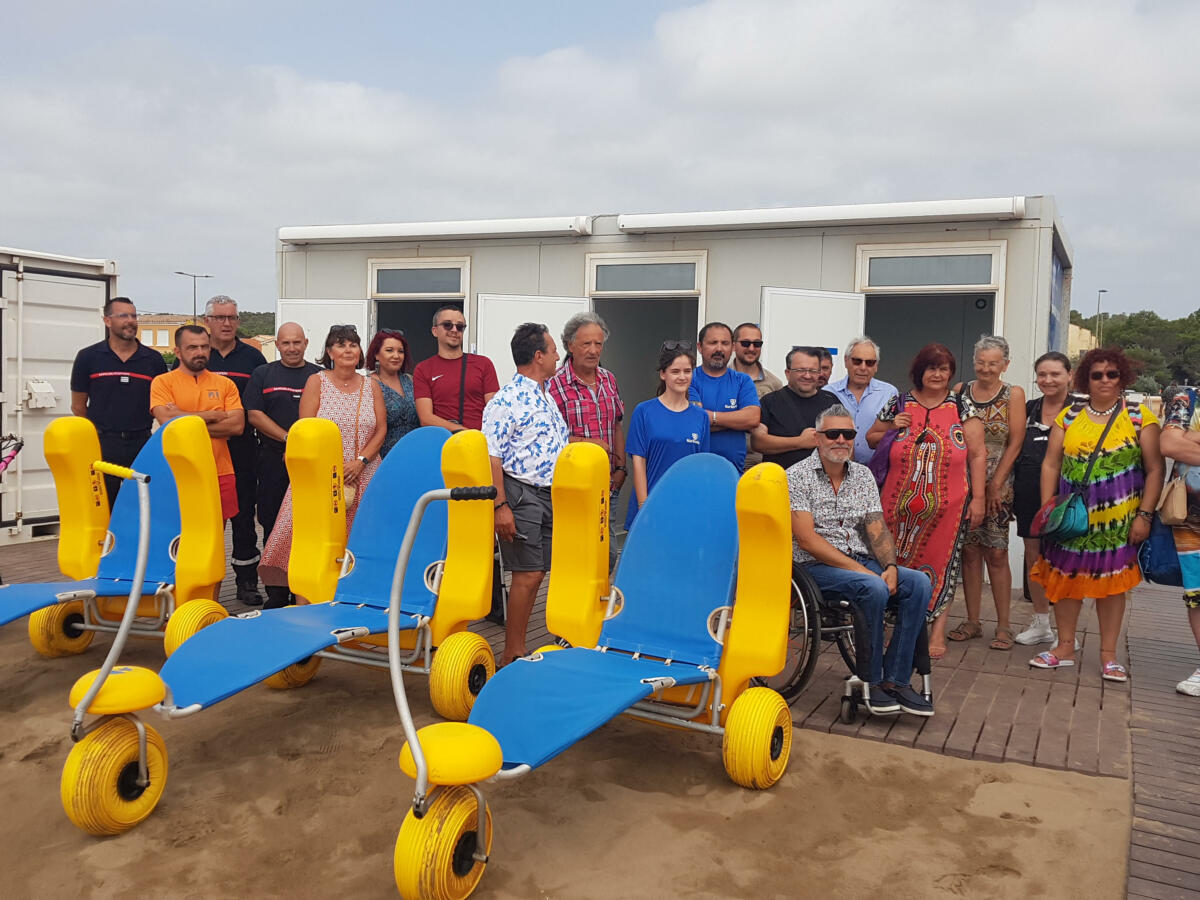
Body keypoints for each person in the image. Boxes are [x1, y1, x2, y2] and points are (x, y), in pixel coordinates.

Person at [1030, 348, 1163, 681]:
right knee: (1065, 581)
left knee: (1112, 587)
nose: (1105, 380)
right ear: (1085, 379)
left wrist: (1144, 515)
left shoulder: (1139, 417)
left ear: (1123, 378)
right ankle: (1063, 647)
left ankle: (1108, 654)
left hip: (1118, 522)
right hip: (1072, 519)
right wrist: (1048, 509)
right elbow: (1050, 463)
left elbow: (1155, 468)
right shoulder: (1069, 416)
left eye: (1112, 374)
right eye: (1097, 375)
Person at [790, 405, 933, 716]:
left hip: (861, 560)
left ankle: (895, 681)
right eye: (832, 434)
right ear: (817, 438)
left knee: (919, 582)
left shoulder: (863, 475)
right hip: (815, 569)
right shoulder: (795, 477)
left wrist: (892, 567)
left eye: (849, 434)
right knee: (874, 587)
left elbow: (876, 528)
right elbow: (806, 539)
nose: (841, 439)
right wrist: (863, 572)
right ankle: (872, 677)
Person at [866, 343, 987, 658]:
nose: (937, 374)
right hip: (895, 504)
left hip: (949, 506)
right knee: (894, 562)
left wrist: (980, 499)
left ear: (951, 373)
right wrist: (893, 426)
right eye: (931, 368)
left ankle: (936, 633)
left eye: (943, 368)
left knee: (942, 563)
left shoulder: (962, 406)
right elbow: (870, 438)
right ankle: (895, 629)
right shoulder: (899, 402)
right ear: (919, 371)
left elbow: (977, 453)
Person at [258, 325, 386, 602]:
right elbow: (306, 430)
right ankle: (306, 602)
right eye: (341, 345)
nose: (348, 350)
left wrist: (361, 462)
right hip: (321, 477)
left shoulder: (371, 385)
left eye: (353, 344)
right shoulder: (317, 381)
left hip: (363, 474)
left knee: (356, 542)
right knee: (311, 538)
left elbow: (381, 430)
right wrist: (334, 469)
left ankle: (349, 600)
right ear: (329, 352)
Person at [482, 323, 569, 666]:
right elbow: (492, 454)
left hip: (548, 494)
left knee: (537, 573)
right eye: (553, 349)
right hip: (520, 494)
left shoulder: (545, 395)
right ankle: (512, 651)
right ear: (538, 356)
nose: (558, 356)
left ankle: (517, 647)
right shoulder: (506, 399)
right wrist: (500, 505)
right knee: (527, 573)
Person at [952, 336, 1027, 651]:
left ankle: (1005, 625)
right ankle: (971, 620)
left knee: (996, 553)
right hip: (964, 484)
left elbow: (1016, 442)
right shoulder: (959, 392)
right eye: (981, 362)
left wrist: (997, 483)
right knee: (968, 553)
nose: (986, 368)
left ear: (1005, 365)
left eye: (993, 363)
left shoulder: (1014, 394)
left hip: (999, 484)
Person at [242, 322, 321, 608]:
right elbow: (254, 415)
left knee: (309, 524)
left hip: (312, 464)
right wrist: (290, 438)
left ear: (306, 343)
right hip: (274, 460)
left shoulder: (319, 376)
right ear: (277, 345)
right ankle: (277, 592)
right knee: (273, 523)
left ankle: (304, 586)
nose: (291, 348)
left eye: (297, 342)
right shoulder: (263, 374)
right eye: (286, 343)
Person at [546, 312, 627, 570]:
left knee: (607, 553)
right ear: (570, 346)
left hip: (607, 483)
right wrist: (585, 443)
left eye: (598, 344)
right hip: (573, 484)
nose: (593, 350)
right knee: (576, 552)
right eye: (586, 344)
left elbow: (617, 424)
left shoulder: (609, 379)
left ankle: (597, 607)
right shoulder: (553, 385)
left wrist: (621, 468)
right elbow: (549, 437)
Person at [201, 296, 268, 605]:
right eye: (219, 317)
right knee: (204, 521)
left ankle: (246, 584)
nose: (226, 323)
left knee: (242, 521)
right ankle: (202, 582)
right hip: (200, 454)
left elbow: (253, 410)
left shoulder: (253, 358)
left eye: (232, 318)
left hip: (242, 453)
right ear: (207, 321)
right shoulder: (197, 354)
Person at [70, 296, 167, 507]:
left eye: (134, 315)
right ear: (107, 321)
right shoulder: (88, 357)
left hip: (141, 443)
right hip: (103, 446)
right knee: (103, 508)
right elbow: (78, 406)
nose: (131, 321)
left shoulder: (153, 360)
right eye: (123, 315)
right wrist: (94, 437)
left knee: (144, 507)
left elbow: (161, 404)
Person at [149, 325, 244, 522]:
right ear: (178, 352)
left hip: (219, 471)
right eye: (192, 347)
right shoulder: (162, 382)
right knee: (178, 533)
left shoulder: (225, 384)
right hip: (177, 471)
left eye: (204, 347)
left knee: (216, 533)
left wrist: (182, 416)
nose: (200, 352)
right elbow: (167, 422)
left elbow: (236, 426)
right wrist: (212, 415)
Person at [1014, 352, 1073, 646]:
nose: (1048, 380)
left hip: (1066, 498)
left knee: (1064, 560)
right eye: (1042, 375)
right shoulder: (1029, 409)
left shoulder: (1080, 412)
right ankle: (1041, 623)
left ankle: (1066, 632)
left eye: (1055, 374)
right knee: (1034, 556)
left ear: (1069, 376)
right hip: (1028, 493)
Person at [625, 341, 711, 528]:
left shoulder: (701, 417)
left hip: (686, 508)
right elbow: (638, 462)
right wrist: (644, 507)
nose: (682, 377)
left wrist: (700, 508)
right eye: (675, 371)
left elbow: (701, 467)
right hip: (651, 505)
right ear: (663, 374)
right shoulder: (644, 411)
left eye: (687, 371)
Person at [1160, 387, 1200, 694]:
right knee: (1197, 595)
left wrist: (1192, 439)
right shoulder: (1186, 399)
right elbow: (1170, 444)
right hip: (1190, 516)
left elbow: (1182, 442)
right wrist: (1182, 441)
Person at [413, 305, 499, 432]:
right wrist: (463, 431)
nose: (454, 330)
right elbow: (426, 418)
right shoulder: (423, 369)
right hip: (443, 443)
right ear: (435, 331)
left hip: (479, 442)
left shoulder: (483, 364)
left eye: (460, 327)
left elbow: (495, 410)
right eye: (447, 325)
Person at [688, 322, 760, 472]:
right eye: (713, 343)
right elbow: (693, 422)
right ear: (700, 347)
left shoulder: (742, 381)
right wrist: (736, 423)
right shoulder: (689, 379)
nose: (719, 349)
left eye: (725, 343)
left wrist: (711, 418)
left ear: (733, 347)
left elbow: (752, 419)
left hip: (733, 472)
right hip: (694, 469)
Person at [751, 346, 838, 469]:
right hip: (780, 481)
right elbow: (758, 442)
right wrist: (800, 442)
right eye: (801, 370)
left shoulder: (832, 402)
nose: (807, 376)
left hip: (824, 483)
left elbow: (846, 442)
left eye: (813, 371)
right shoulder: (769, 402)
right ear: (788, 373)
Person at [827, 336, 897, 464]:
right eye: (857, 361)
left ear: (876, 366)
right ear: (846, 361)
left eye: (869, 363)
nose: (863, 367)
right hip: (837, 470)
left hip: (877, 472)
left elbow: (895, 432)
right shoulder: (828, 393)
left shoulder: (889, 393)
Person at [731, 323, 782, 468]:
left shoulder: (774, 383)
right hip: (727, 460)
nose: (751, 348)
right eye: (746, 343)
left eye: (757, 344)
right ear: (734, 345)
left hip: (760, 463)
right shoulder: (722, 379)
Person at [366, 329, 418, 458]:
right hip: (384, 459)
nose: (396, 356)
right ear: (376, 354)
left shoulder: (410, 380)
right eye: (389, 350)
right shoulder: (367, 384)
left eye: (400, 351)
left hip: (415, 453)